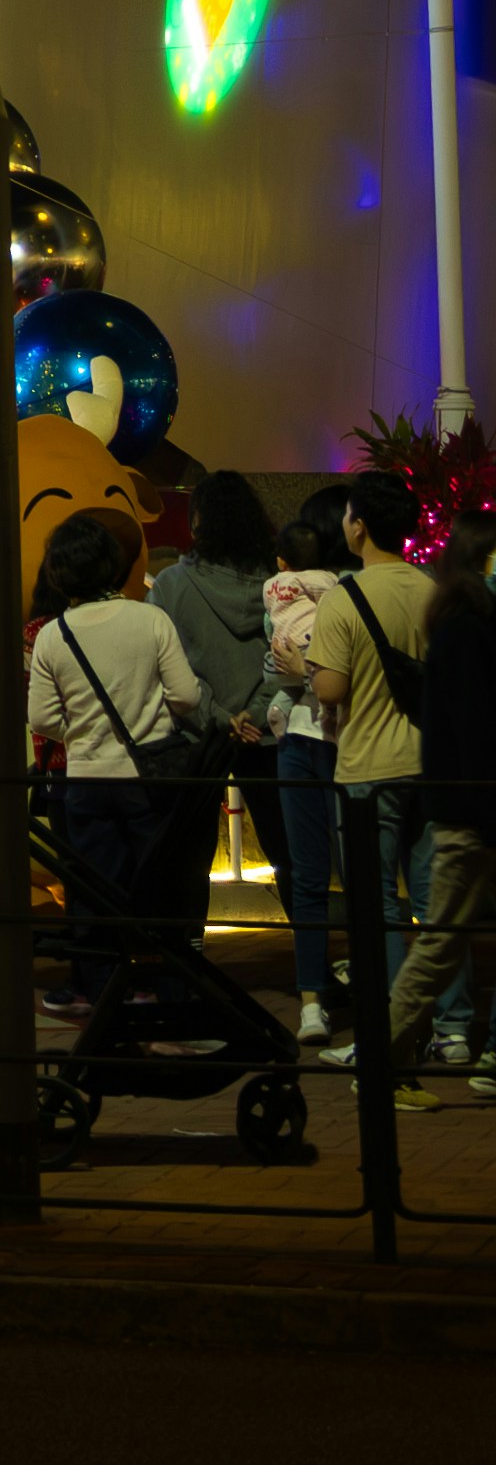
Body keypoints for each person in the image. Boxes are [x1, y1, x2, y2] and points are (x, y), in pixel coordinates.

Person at [286, 469, 438, 1055]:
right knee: (433, 903)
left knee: (376, 908)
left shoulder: (345, 597)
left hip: (369, 769)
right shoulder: (433, 590)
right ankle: (450, 1031)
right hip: (430, 762)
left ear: (359, 527)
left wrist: (298, 667)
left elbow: (328, 689)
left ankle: (388, 1035)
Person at [26, 504, 202, 995]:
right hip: (148, 778)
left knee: (95, 889)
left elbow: (40, 718)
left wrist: (81, 732)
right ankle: (163, 985)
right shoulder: (150, 620)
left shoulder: (53, 636)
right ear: (112, 563)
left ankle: (103, 989)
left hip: (85, 779)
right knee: (155, 886)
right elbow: (187, 696)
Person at [366, 512, 494, 1105]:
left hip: (468, 810)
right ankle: (380, 1063)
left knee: (441, 942)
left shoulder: (459, 623)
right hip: (474, 815)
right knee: (439, 945)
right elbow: (473, 729)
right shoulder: (468, 629)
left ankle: (383, 1063)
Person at [151, 468, 280, 942]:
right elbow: (287, 660)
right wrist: (255, 713)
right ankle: (313, 968)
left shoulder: (170, 585)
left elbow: (170, 670)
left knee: (191, 850)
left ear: (198, 521)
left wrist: (221, 718)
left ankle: (189, 951)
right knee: (286, 848)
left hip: (197, 733)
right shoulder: (278, 585)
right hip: (266, 733)